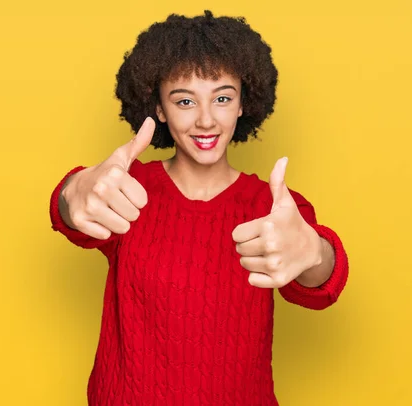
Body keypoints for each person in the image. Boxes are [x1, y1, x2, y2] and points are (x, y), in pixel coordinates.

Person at [49, 10, 349, 405]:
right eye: (185, 100)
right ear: (158, 108)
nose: (206, 120)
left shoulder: (271, 206)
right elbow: (69, 214)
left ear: (243, 103)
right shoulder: (129, 189)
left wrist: (312, 251)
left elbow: (321, 284)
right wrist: (74, 190)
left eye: (222, 98)